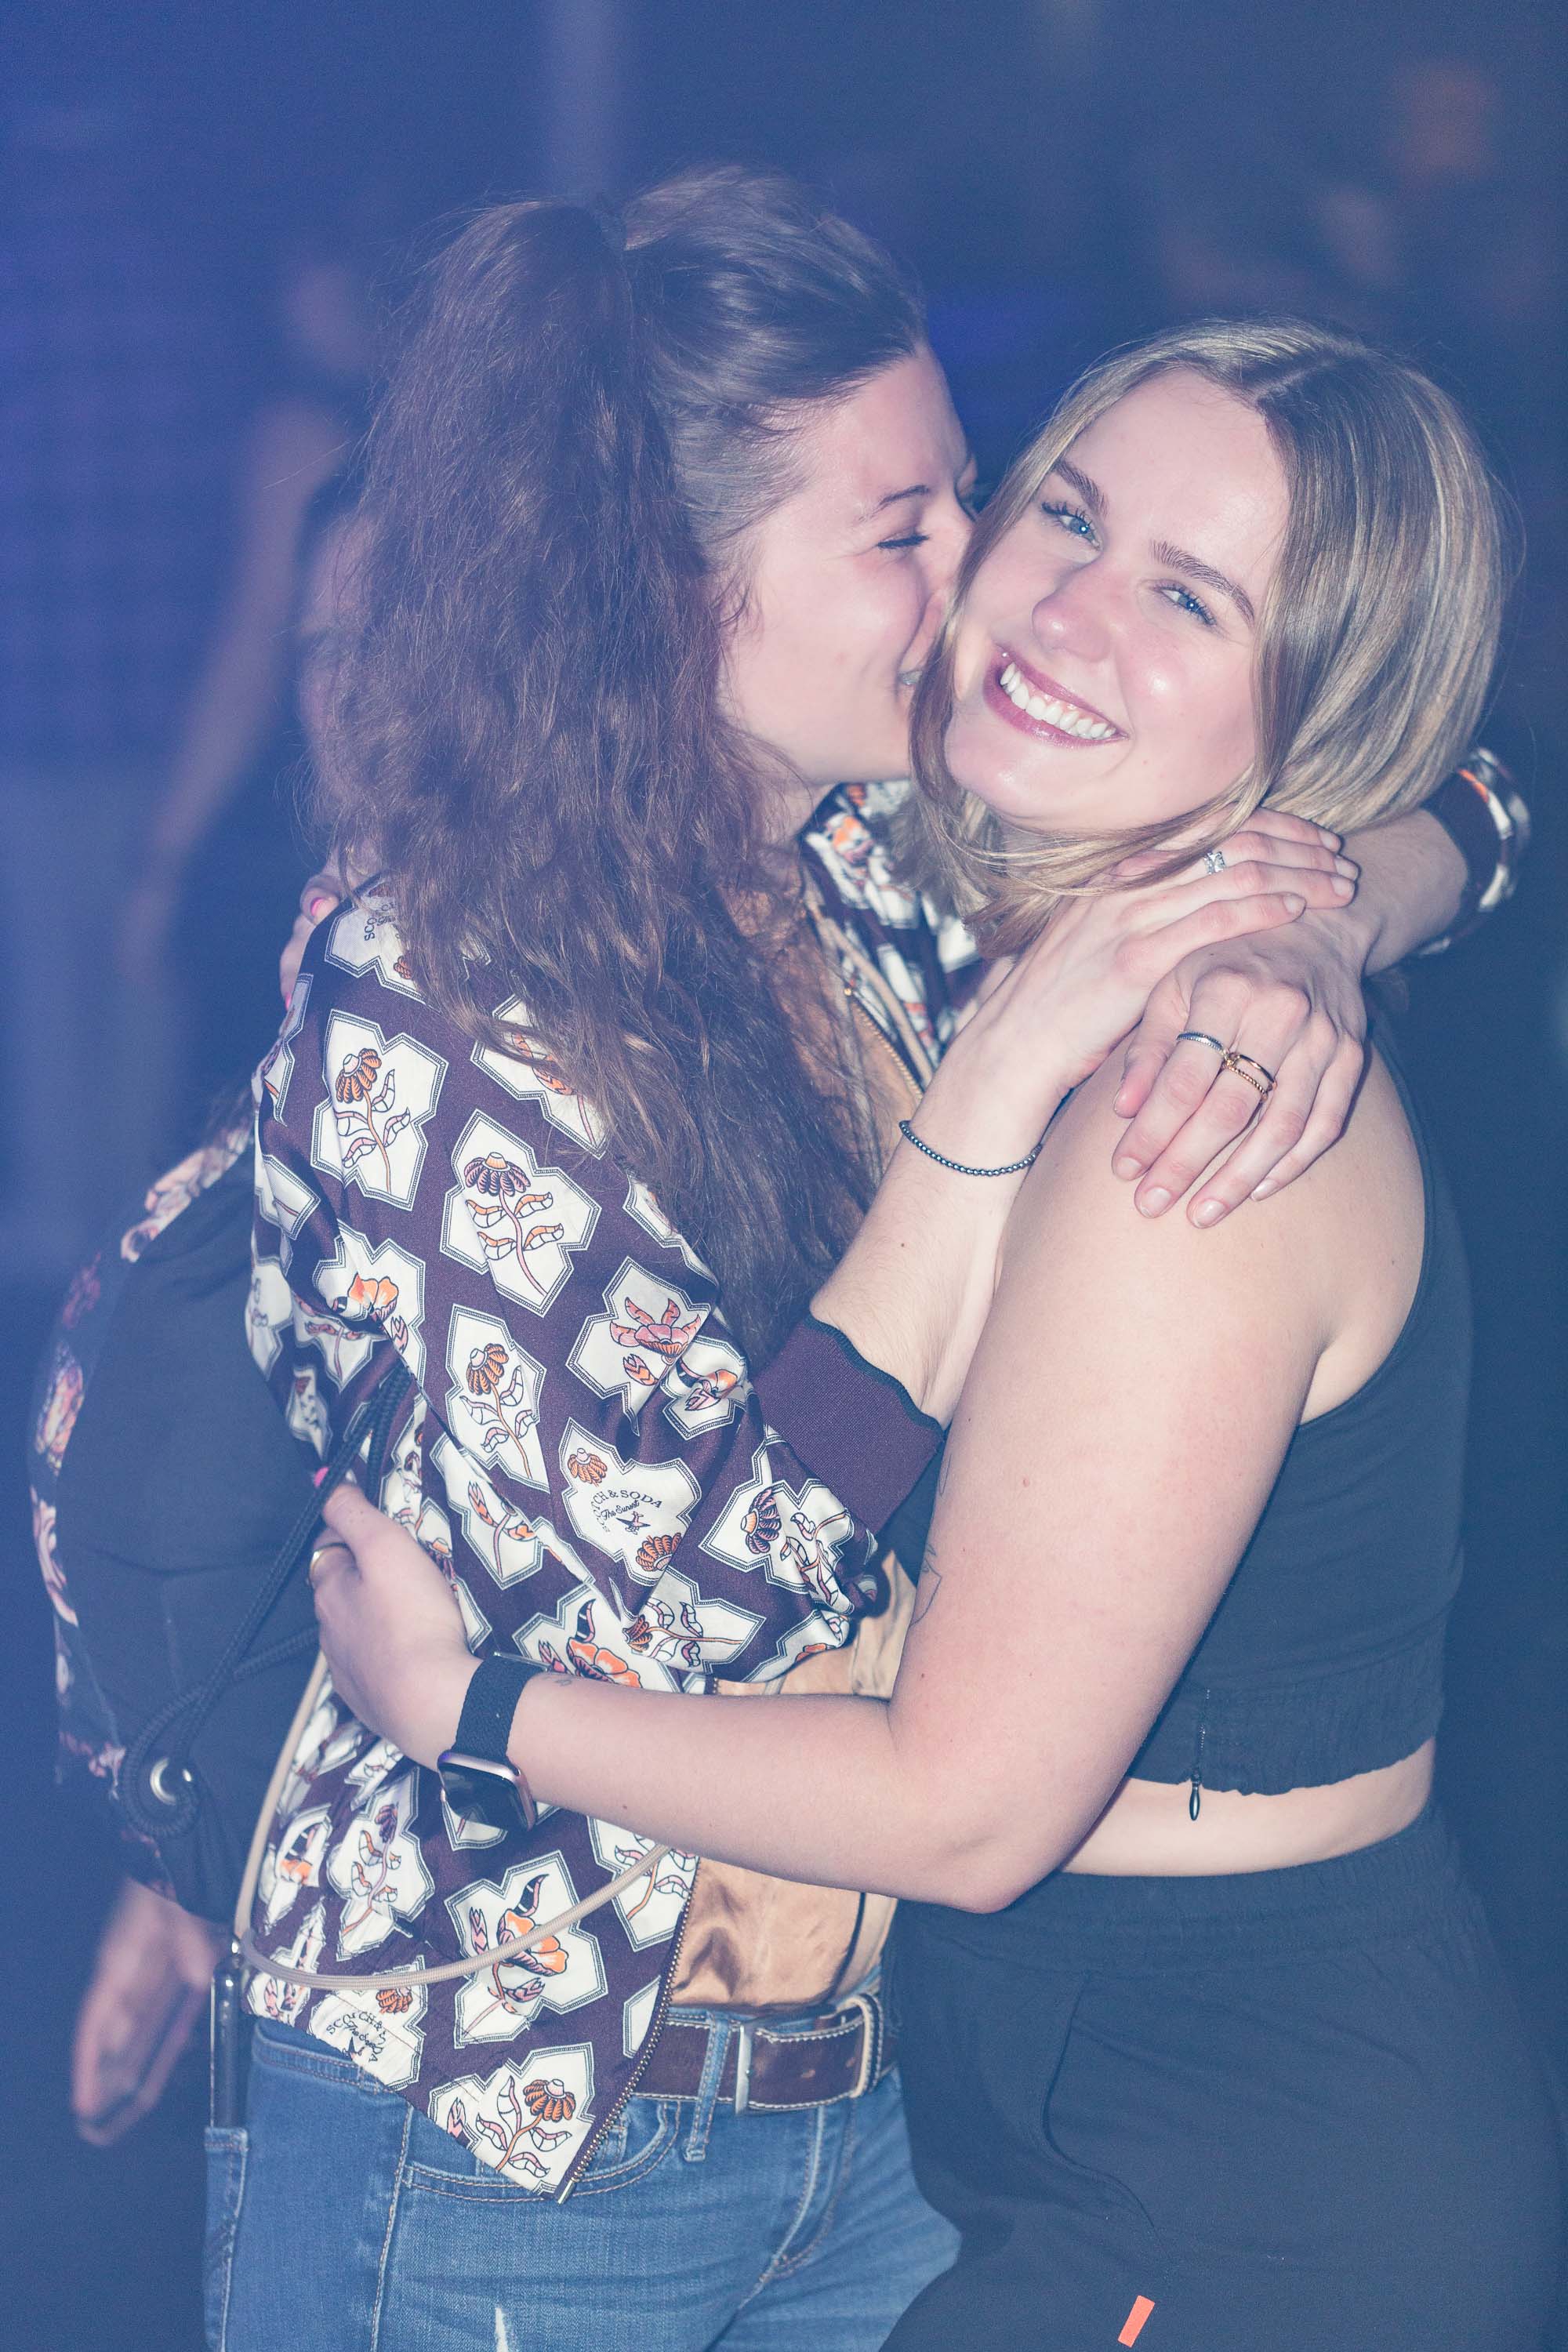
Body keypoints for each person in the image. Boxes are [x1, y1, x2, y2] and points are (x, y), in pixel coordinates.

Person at [105, 171, 1500, 2347]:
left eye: (975, 502)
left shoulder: (877, 869)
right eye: (911, 530)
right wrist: (990, 1094)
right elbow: (709, 1617)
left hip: (874, 2124)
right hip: (516, 2119)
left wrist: (1330, 911)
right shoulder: (441, 994)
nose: (986, 592)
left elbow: (1460, 779)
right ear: (670, 590)